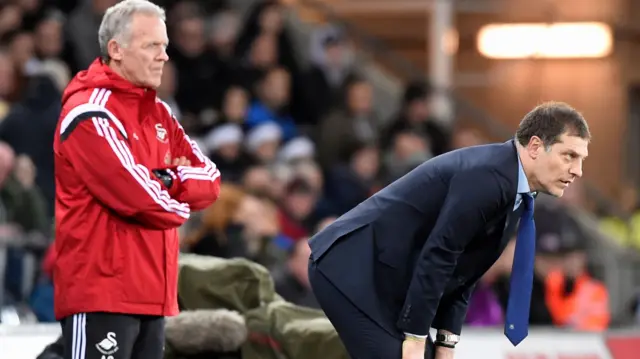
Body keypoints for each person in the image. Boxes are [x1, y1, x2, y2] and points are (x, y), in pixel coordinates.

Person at [308, 101, 590, 359]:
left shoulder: (514, 182)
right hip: (350, 268)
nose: (577, 170)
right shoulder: (490, 176)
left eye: (581, 159)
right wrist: (417, 337)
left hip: (383, 278)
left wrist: (445, 342)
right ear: (535, 147)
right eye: (569, 156)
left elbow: (465, 269)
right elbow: (441, 253)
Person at [52, 1, 221, 359]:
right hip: (101, 294)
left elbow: (211, 178)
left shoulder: (159, 111)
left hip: (154, 296)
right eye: (151, 46)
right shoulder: (90, 113)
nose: (163, 57)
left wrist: (166, 179)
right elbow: (139, 196)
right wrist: (177, 199)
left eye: (165, 46)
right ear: (116, 49)